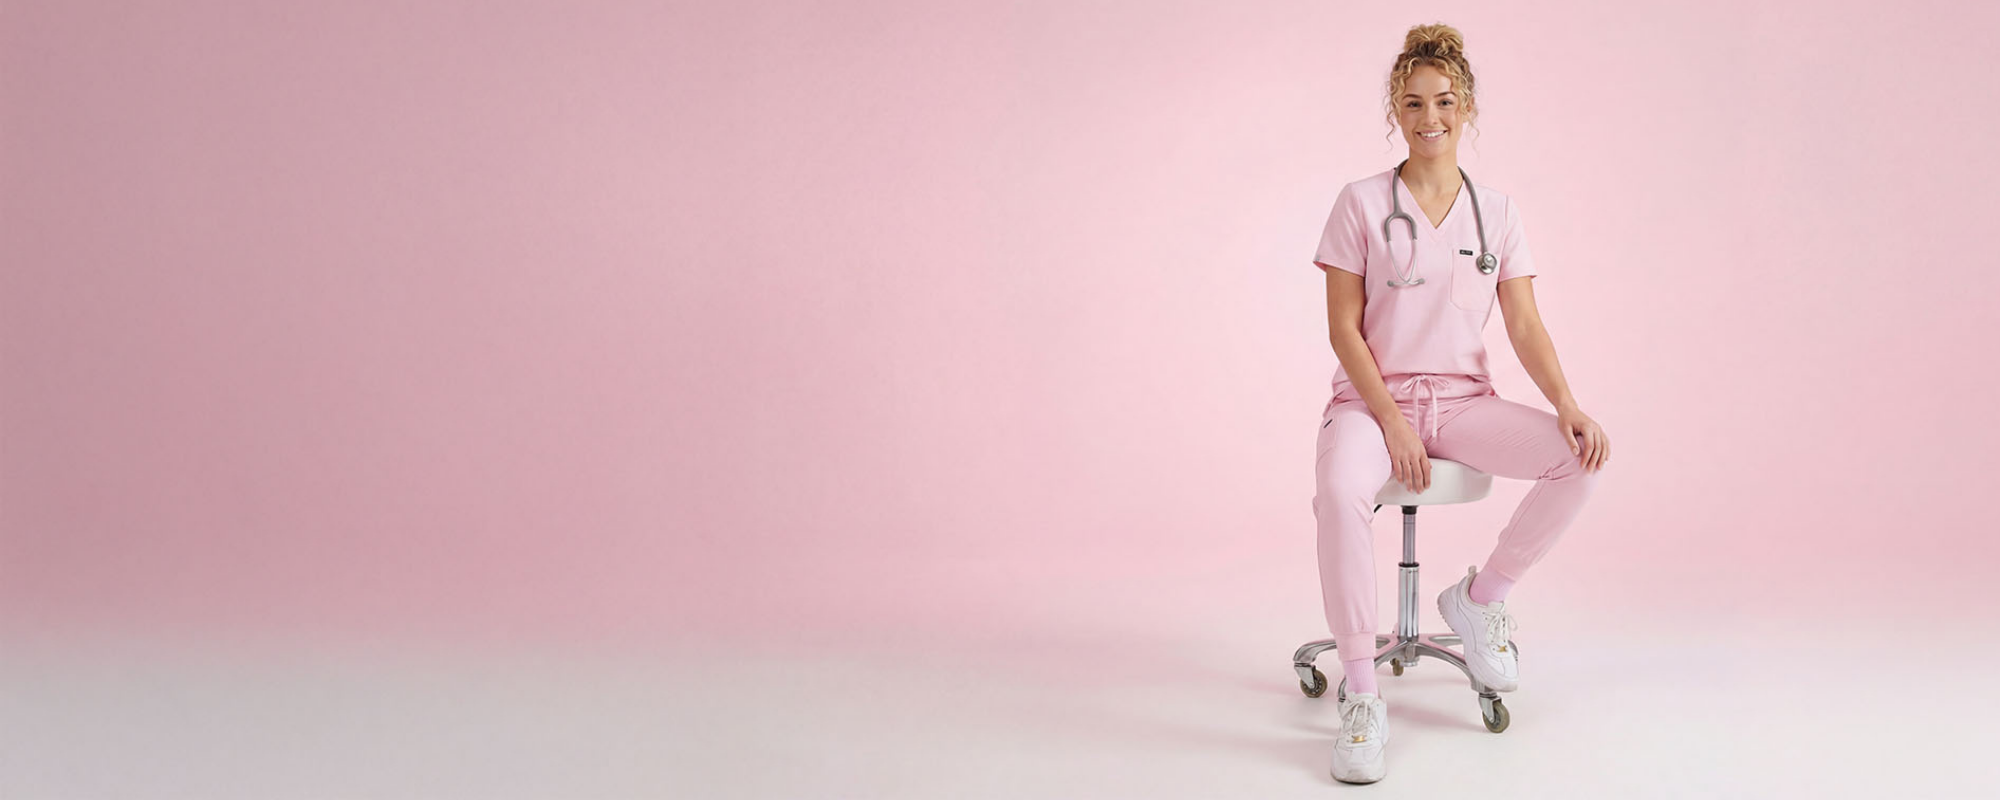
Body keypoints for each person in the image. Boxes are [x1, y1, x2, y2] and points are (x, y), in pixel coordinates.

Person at [1309, 23, 1610, 785]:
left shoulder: (1497, 213)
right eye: (1413, 103)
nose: (1430, 117)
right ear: (1395, 111)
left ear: (1466, 106)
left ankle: (1480, 600)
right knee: (1342, 491)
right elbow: (1344, 331)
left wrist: (1568, 403)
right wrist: (1392, 419)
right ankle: (1363, 693)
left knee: (1578, 460)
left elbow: (1524, 323)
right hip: (1373, 403)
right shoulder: (1360, 203)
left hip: (1463, 402)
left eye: (1445, 101)